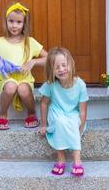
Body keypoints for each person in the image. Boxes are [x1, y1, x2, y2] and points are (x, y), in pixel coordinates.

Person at [0, 2, 47, 130]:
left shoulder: (29, 42)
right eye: (11, 21)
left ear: (24, 24)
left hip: (24, 79)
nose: (14, 25)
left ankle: (31, 113)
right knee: (11, 86)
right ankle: (2, 114)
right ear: (6, 21)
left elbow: (48, 58)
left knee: (23, 89)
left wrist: (33, 62)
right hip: (5, 78)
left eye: (19, 22)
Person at [37, 47, 88, 176]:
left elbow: (82, 110)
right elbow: (43, 103)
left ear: (71, 65)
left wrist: (80, 127)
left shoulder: (80, 84)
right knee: (59, 122)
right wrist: (44, 124)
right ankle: (61, 159)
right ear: (51, 70)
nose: (61, 69)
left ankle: (77, 161)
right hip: (57, 112)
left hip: (73, 114)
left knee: (71, 122)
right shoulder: (51, 84)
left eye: (64, 65)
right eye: (56, 67)